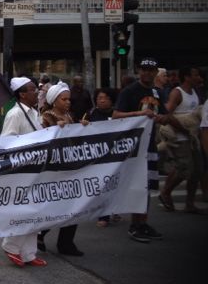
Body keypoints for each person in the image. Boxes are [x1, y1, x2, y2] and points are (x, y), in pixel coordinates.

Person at [112, 57, 169, 242]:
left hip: (151, 143)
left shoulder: (157, 92)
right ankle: (134, 225)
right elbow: (116, 115)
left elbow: (165, 115)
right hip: (134, 146)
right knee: (137, 185)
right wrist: (139, 114)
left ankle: (143, 222)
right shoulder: (129, 91)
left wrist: (162, 118)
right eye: (144, 69)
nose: (147, 73)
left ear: (155, 73)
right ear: (139, 71)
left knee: (147, 186)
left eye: (151, 70)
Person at [0, 77, 47, 267]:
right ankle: (11, 246)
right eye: (33, 89)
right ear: (22, 94)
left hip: (35, 169)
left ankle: (28, 253)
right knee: (23, 211)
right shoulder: (14, 114)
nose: (37, 92)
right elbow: (7, 142)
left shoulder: (35, 113)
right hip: (22, 171)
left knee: (34, 211)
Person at [38, 81, 87, 256]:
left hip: (71, 166)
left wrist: (82, 128)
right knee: (55, 206)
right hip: (55, 169)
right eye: (64, 99)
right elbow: (41, 139)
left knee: (74, 205)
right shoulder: (46, 118)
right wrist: (54, 130)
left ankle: (66, 243)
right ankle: (40, 233)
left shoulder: (70, 116)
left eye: (69, 99)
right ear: (53, 100)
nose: (68, 102)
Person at [159, 67, 202, 212]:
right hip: (179, 137)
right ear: (187, 77)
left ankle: (189, 203)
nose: (199, 78)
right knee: (184, 169)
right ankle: (165, 192)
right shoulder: (177, 93)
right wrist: (183, 129)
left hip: (192, 137)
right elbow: (167, 115)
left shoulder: (195, 92)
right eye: (195, 75)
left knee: (197, 170)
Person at [84, 88, 122, 227]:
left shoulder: (117, 114)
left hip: (115, 154)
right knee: (102, 185)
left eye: (105, 97)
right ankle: (103, 216)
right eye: (99, 97)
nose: (102, 100)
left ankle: (115, 209)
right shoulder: (91, 113)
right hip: (98, 156)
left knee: (115, 184)